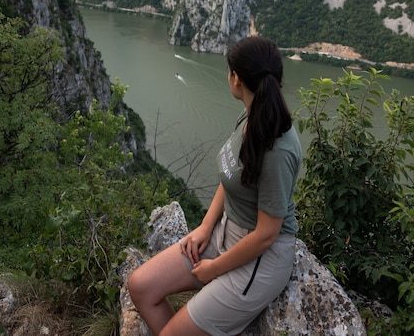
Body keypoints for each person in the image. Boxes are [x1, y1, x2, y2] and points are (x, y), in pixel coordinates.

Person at [128, 35, 302, 336]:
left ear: (236, 79)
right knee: (141, 286)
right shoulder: (251, 118)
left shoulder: (278, 150)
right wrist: (205, 226)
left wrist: (216, 268)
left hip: (259, 260)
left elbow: (266, 235)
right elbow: (232, 176)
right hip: (225, 231)